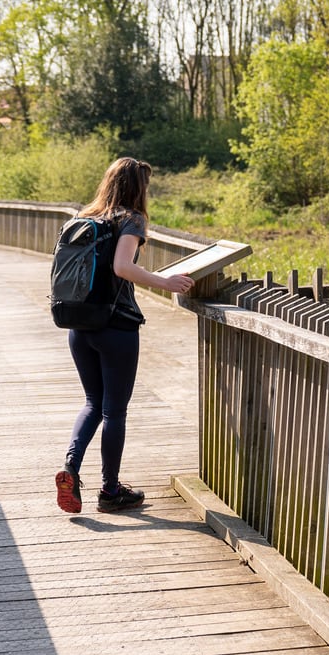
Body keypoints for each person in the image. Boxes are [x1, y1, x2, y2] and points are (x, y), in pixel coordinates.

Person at [55, 157, 192, 514]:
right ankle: (110, 491)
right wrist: (166, 282)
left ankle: (71, 465)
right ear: (136, 187)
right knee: (114, 411)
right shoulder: (131, 219)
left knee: (91, 403)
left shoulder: (84, 217)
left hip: (79, 325)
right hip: (115, 328)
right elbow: (122, 267)